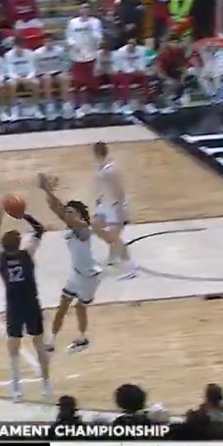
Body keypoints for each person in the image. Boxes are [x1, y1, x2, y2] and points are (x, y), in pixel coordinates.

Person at [37, 172, 116, 354]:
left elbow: (63, 212)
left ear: (80, 215)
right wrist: (47, 190)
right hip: (76, 273)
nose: (67, 214)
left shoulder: (83, 229)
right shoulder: (73, 225)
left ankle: (82, 339)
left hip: (90, 276)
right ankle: (51, 341)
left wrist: (54, 198)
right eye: (68, 212)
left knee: (80, 307)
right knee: (63, 304)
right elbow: (56, 208)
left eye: (72, 212)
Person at [0, 204, 50, 402]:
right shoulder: (27, 254)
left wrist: (0, 213)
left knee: (13, 349)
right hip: (31, 304)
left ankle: (16, 389)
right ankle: (46, 385)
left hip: (14, 306)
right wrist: (23, 214)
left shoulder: (0, 258)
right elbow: (40, 229)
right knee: (39, 345)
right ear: (19, 243)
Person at [91, 142, 137, 279]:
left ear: (97, 153)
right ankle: (113, 256)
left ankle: (130, 267)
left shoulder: (110, 170)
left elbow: (119, 191)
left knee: (114, 237)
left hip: (115, 206)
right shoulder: (102, 166)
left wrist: (121, 211)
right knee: (96, 226)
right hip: (105, 205)